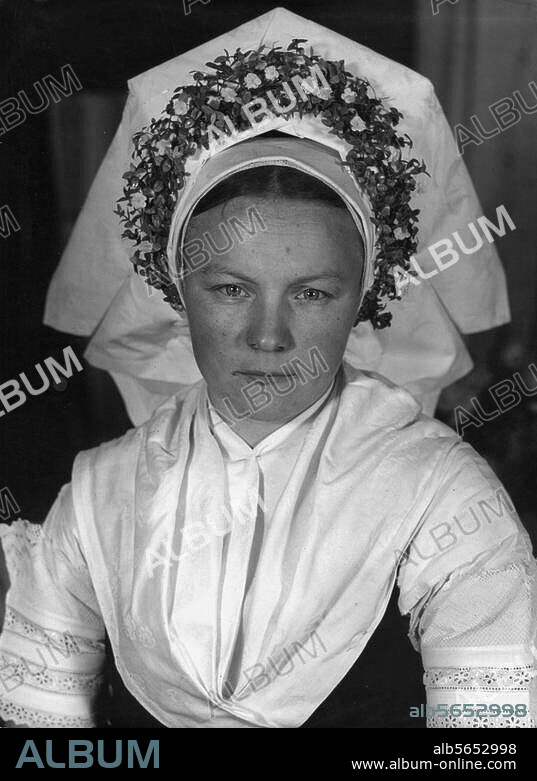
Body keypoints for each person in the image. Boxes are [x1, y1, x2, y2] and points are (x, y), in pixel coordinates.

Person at [1, 9, 535, 729]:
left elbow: (487, 742)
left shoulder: (444, 501)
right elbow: (38, 722)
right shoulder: (99, 496)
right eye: (229, 289)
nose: (269, 335)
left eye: (312, 293)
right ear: (176, 291)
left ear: (362, 301)